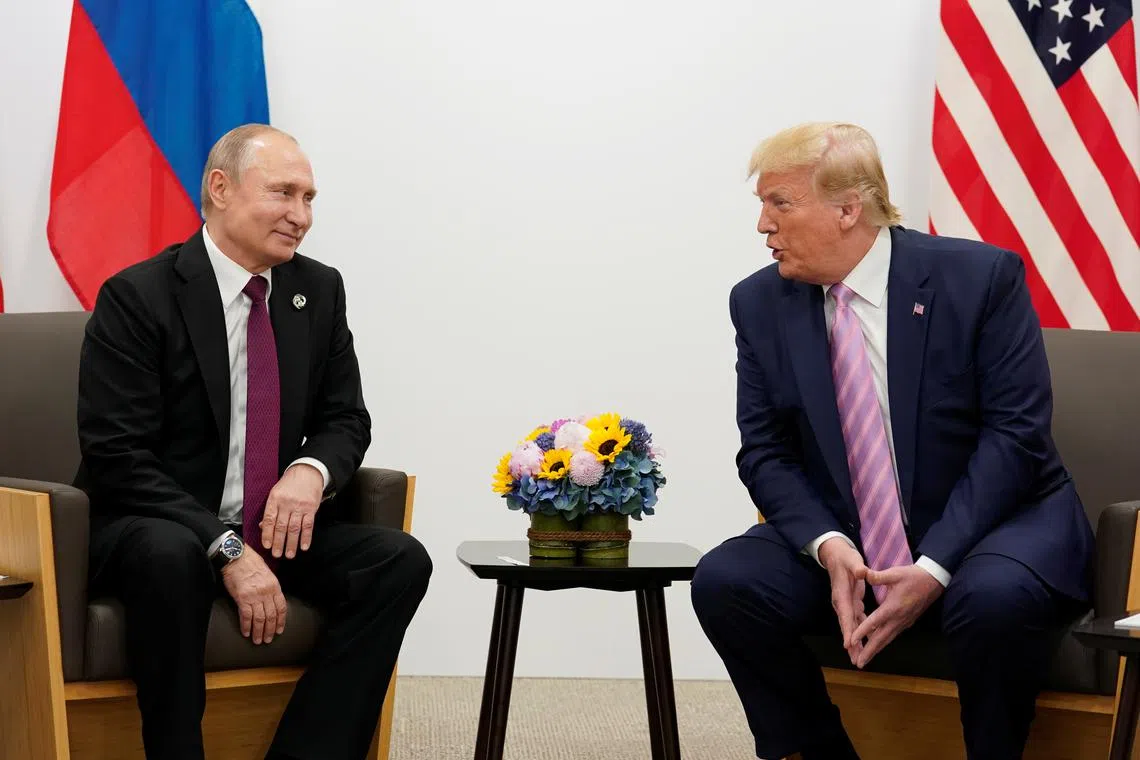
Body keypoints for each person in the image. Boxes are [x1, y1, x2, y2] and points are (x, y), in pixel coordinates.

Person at [690, 122, 1093, 760]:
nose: (763, 225)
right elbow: (765, 450)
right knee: (726, 581)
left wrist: (934, 567)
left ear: (848, 208)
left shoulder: (980, 278)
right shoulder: (760, 303)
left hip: (997, 522)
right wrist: (828, 544)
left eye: (780, 203)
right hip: (851, 532)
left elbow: (1016, 436)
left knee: (990, 600)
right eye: (763, 204)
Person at [75, 124, 432, 760]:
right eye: (283, 193)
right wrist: (225, 546)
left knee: (398, 561)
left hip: (268, 522)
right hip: (158, 523)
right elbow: (117, 457)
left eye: (309, 198)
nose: (301, 216)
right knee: (169, 554)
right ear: (220, 188)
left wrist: (310, 471)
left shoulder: (317, 290)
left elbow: (346, 417)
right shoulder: (138, 297)